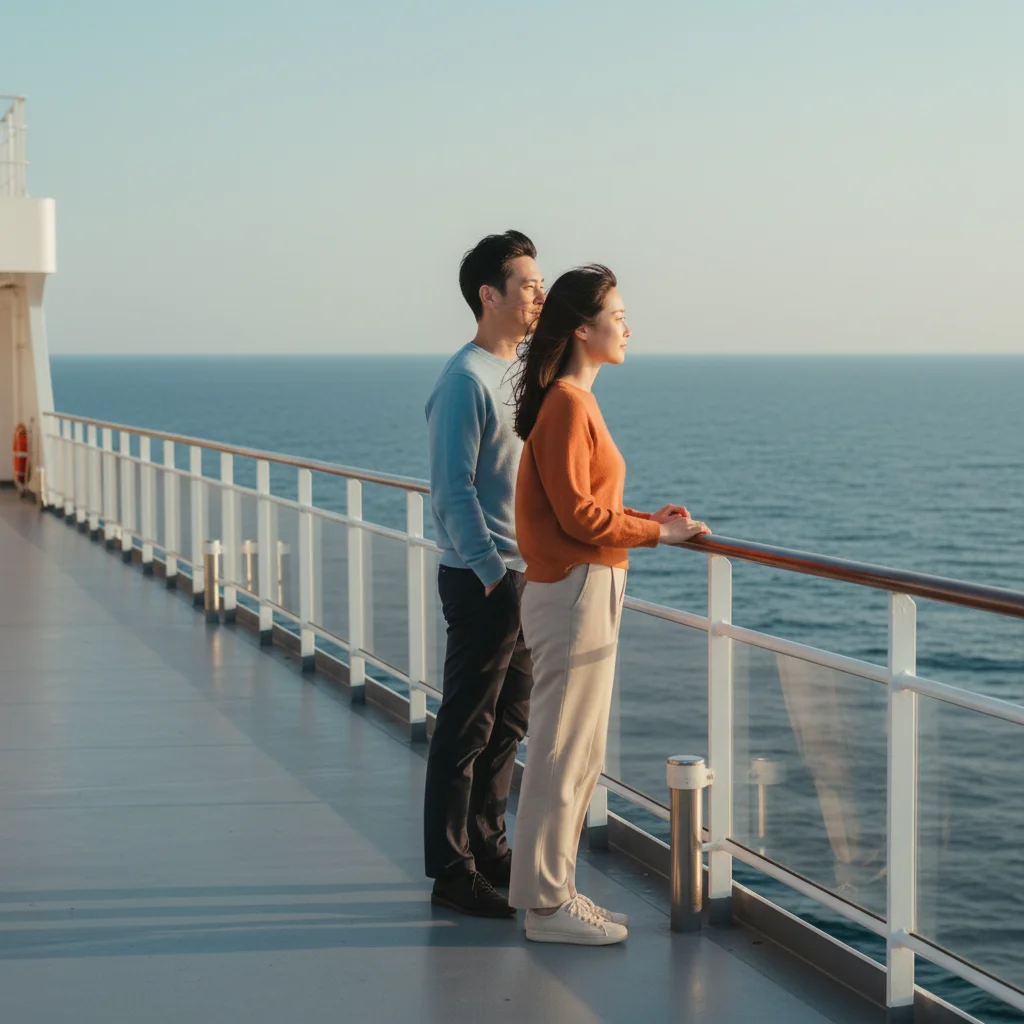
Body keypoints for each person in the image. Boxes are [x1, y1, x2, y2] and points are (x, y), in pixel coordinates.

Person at [508, 264, 711, 944]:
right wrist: (658, 534)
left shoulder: (574, 402)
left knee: (580, 751)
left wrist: (646, 519)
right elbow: (578, 518)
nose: (627, 328)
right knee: (562, 753)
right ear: (581, 330)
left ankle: (558, 892)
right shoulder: (568, 404)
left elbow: (586, 507)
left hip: (582, 587)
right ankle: (544, 907)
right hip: (573, 590)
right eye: (617, 316)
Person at [423, 230, 545, 918]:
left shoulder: (516, 374)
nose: (539, 295)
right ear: (488, 295)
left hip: (521, 575)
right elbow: (452, 491)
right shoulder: (465, 379)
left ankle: (489, 843)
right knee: (466, 727)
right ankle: (451, 869)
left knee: (508, 724)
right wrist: (495, 574)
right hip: (483, 580)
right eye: (528, 284)